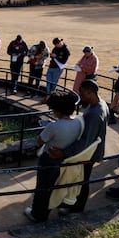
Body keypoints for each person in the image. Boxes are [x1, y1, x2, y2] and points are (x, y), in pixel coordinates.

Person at [47, 79, 109, 214]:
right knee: (81, 179)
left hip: (89, 154)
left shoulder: (95, 113)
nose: (79, 95)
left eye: (81, 92)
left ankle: (77, 208)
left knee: (82, 180)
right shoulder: (100, 103)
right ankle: (74, 205)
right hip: (92, 151)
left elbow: (86, 141)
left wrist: (64, 152)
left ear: (90, 92)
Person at [24, 91, 83, 222]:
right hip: (65, 159)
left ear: (57, 110)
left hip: (49, 159)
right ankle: (48, 210)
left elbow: (40, 141)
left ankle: (37, 214)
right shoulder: (78, 123)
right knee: (53, 187)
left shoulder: (53, 126)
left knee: (42, 188)